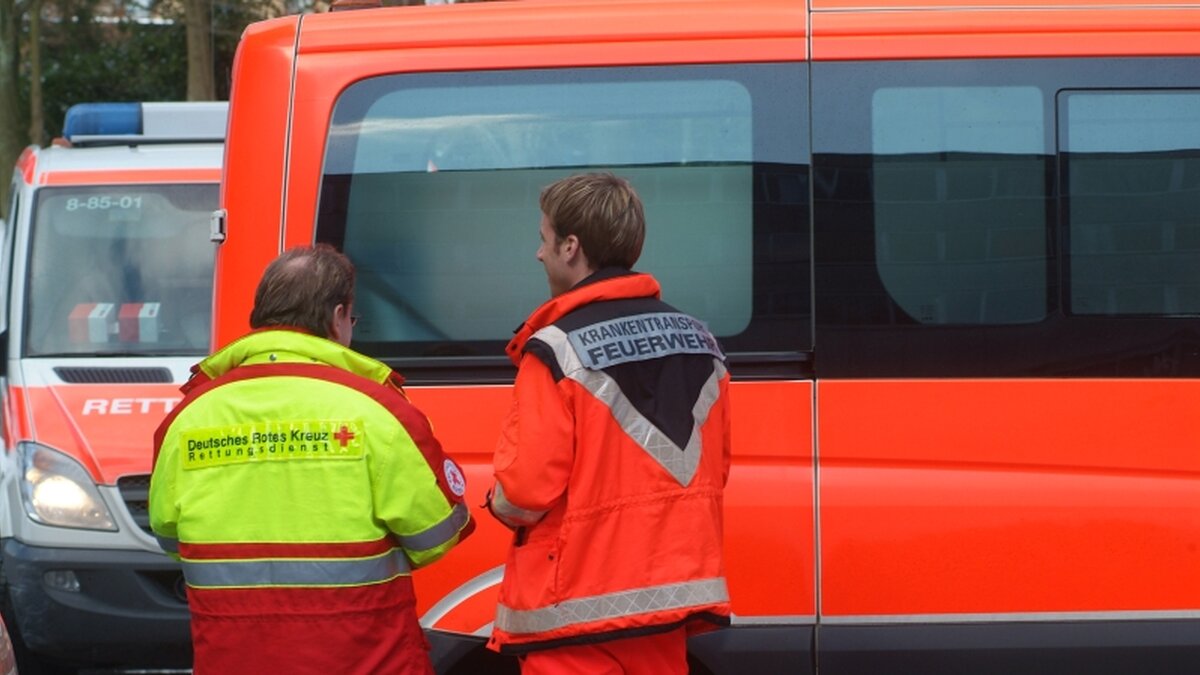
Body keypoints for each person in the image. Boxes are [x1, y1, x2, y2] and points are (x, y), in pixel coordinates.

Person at [149, 244, 473, 675]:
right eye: (352, 319)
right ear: (338, 315)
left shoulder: (188, 418)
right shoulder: (375, 409)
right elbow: (435, 535)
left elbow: (171, 539)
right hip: (368, 662)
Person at [485, 173, 732, 673]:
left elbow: (527, 490)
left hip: (576, 613)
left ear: (571, 247)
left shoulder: (555, 349)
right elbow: (716, 469)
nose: (539, 253)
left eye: (544, 238)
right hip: (666, 608)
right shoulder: (701, 342)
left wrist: (496, 503)